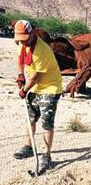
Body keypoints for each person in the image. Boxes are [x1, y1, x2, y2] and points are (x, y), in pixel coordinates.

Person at [13, 20, 63, 170]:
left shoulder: (42, 50)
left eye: (25, 38)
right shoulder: (22, 44)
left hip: (50, 87)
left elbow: (36, 77)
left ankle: (46, 155)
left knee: (46, 122)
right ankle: (28, 147)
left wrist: (24, 90)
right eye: (20, 38)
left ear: (32, 33)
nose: (22, 41)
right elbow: (20, 60)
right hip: (35, 87)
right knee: (30, 118)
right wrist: (20, 74)